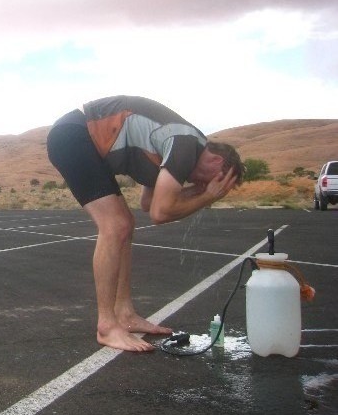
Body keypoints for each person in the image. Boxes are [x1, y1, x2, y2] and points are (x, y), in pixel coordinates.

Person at [46, 95, 244, 352]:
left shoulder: (175, 151)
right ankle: (107, 326)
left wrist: (202, 194)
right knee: (115, 225)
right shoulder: (185, 146)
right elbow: (160, 213)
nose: (205, 186)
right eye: (217, 181)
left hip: (81, 139)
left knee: (125, 224)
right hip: (74, 135)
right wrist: (206, 197)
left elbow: (149, 203)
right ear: (217, 162)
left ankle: (125, 313)